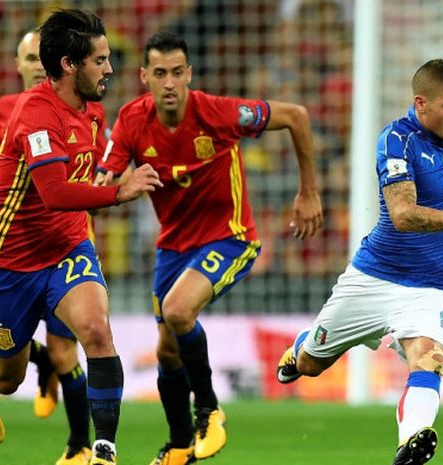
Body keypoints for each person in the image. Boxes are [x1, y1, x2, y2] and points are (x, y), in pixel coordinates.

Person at [96, 31, 322, 465]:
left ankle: (209, 410)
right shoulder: (129, 121)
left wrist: (308, 192)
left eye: (177, 73)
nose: (168, 83)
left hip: (229, 235)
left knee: (179, 312)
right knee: (165, 348)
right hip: (173, 246)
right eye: (159, 73)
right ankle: (181, 445)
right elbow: (105, 187)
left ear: (189, 75)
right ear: (144, 77)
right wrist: (120, 188)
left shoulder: (218, 113)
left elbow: (296, 115)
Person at [277, 59, 443, 465]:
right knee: (311, 365)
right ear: (421, 104)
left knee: (431, 358)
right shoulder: (397, 140)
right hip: (375, 278)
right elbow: (403, 215)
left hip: (433, 287)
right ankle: (300, 348)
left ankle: (411, 444)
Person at [0, 9, 162, 465]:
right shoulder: (35, 115)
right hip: (10, 263)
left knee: (97, 332)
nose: (110, 69)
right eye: (99, 60)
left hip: (66, 248)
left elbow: (76, 188)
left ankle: (100, 450)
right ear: (68, 64)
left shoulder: (94, 110)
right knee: (6, 379)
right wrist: (118, 191)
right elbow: (56, 192)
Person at [0, 28, 96, 465]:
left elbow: (90, 164)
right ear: (17, 65)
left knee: (74, 348)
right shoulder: (8, 109)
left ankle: (80, 446)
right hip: (15, 253)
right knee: (4, 369)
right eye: (28, 58)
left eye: (41, 58)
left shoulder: (83, 109)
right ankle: (38, 362)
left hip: (66, 246)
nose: (35, 65)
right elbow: (0, 168)